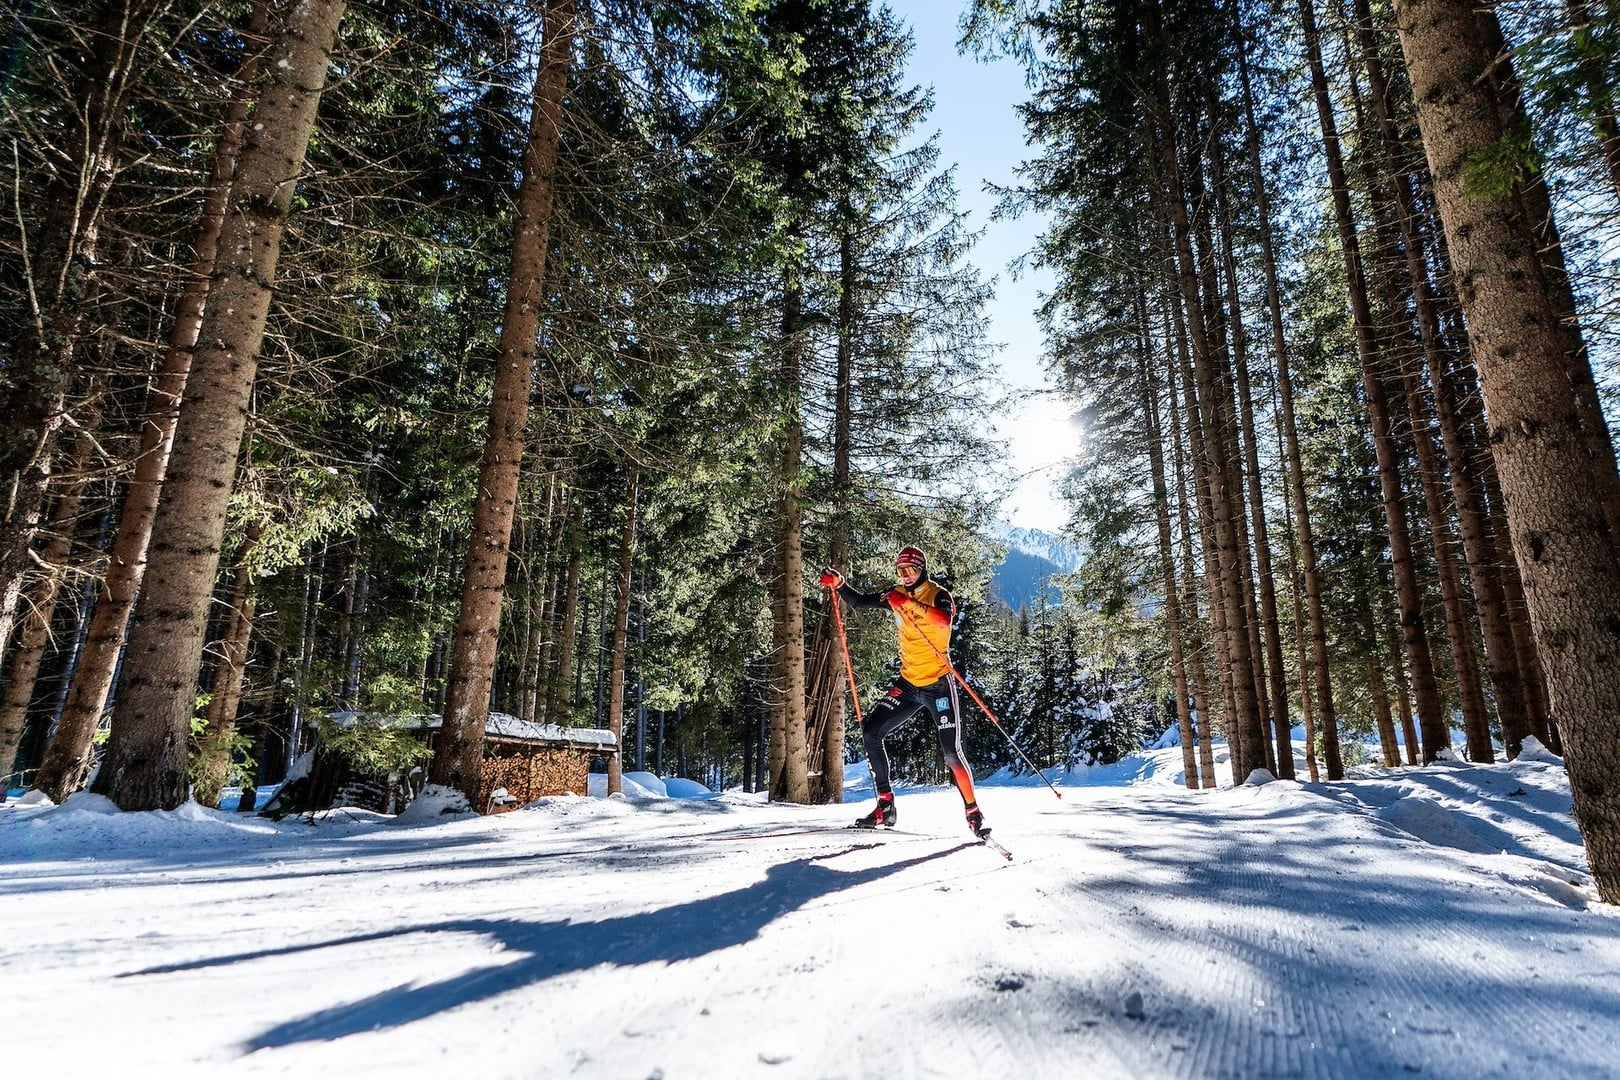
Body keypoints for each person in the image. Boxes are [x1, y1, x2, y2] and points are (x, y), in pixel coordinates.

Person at [819, 546, 990, 838]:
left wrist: (907, 604)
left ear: (922, 568)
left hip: (938, 684)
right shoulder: (896, 593)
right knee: (871, 732)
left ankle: (973, 812)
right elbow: (860, 602)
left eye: (910, 570)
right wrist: (840, 585)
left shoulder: (938, 595)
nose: (905, 576)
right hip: (909, 683)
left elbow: (943, 620)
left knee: (951, 752)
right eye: (900, 571)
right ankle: (885, 806)